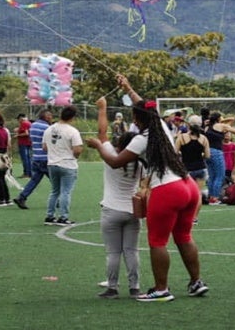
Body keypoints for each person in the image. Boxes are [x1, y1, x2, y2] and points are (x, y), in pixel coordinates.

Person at [88, 74, 205, 303]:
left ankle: (161, 289)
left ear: (136, 119)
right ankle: (196, 282)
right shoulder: (160, 124)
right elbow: (144, 105)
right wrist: (129, 87)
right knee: (183, 235)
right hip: (188, 184)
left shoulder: (141, 139)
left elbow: (115, 161)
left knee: (157, 241)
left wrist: (98, 146)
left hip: (168, 189)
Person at [91, 96, 142, 298]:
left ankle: (112, 288)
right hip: (132, 210)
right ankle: (135, 287)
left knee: (113, 253)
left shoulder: (111, 154)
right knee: (132, 251)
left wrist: (102, 108)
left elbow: (102, 133)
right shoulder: (140, 162)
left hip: (111, 210)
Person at [45, 106, 83, 225]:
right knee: (65, 192)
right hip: (68, 164)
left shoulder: (49, 129)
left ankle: (50, 216)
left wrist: (54, 152)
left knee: (54, 191)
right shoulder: (72, 131)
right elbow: (77, 149)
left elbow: (44, 147)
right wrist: (75, 156)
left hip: (52, 163)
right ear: (72, 117)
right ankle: (63, 217)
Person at [14, 110, 52, 210]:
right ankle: (56, 200)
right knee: (56, 182)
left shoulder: (33, 125)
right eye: (50, 116)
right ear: (46, 117)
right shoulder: (47, 128)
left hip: (36, 157)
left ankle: (22, 197)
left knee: (34, 180)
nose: (51, 118)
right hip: (46, 158)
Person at [201, 110, 235, 204]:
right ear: (218, 119)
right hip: (217, 152)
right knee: (220, 176)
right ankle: (215, 198)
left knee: (212, 176)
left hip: (207, 152)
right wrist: (226, 125)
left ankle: (210, 197)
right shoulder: (221, 126)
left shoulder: (206, 127)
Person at [176, 117, 210, 194]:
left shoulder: (181, 137)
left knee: (187, 193)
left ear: (188, 125)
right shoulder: (203, 138)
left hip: (186, 168)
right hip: (200, 167)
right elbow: (207, 155)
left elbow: (175, 153)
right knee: (198, 194)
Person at [16, 113, 33, 178]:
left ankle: (26, 173)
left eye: (18, 119)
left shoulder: (24, 123)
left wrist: (18, 135)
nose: (18, 121)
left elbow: (26, 133)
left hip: (23, 143)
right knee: (29, 158)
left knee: (25, 159)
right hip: (29, 142)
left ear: (21, 118)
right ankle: (30, 173)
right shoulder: (29, 123)